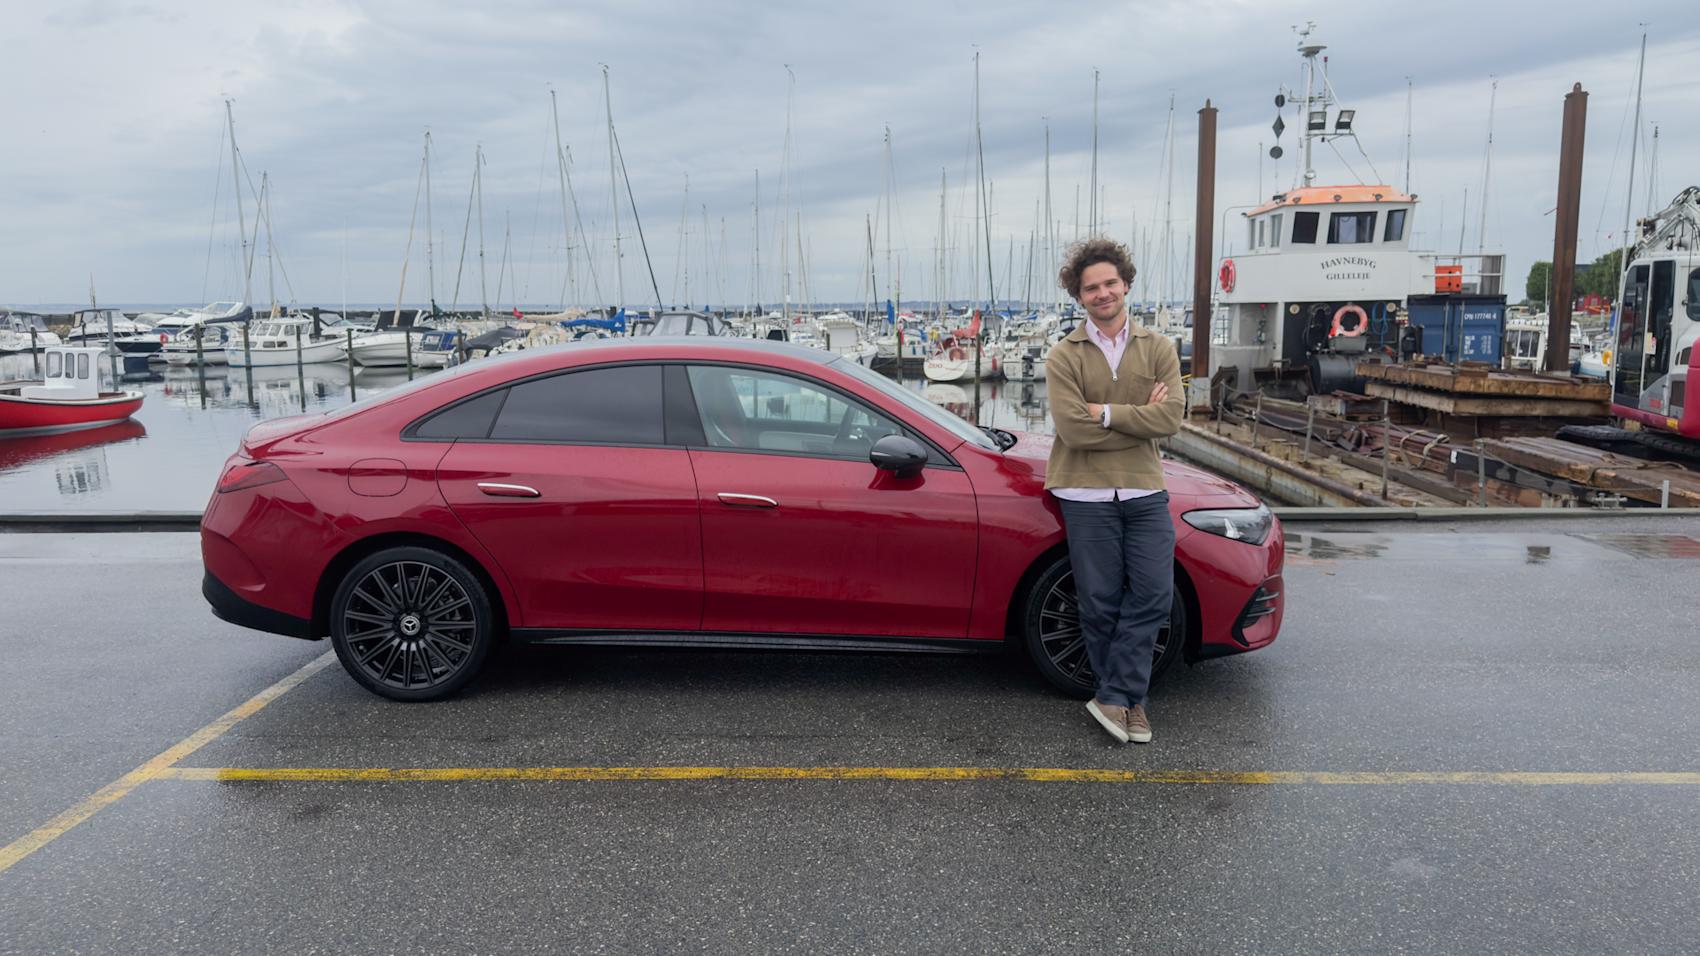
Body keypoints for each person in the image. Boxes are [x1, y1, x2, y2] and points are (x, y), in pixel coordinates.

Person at [1044, 238, 1185, 744]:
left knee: (1152, 593)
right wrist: (1137, 417)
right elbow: (1073, 431)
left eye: (1109, 283)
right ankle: (1129, 702)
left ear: (1125, 283)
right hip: (1083, 493)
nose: (1102, 293)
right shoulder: (1064, 355)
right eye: (1091, 288)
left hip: (1145, 488)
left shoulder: (1159, 347)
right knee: (1099, 602)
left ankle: (1114, 695)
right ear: (1078, 297)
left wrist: (1103, 412)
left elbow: (1171, 418)